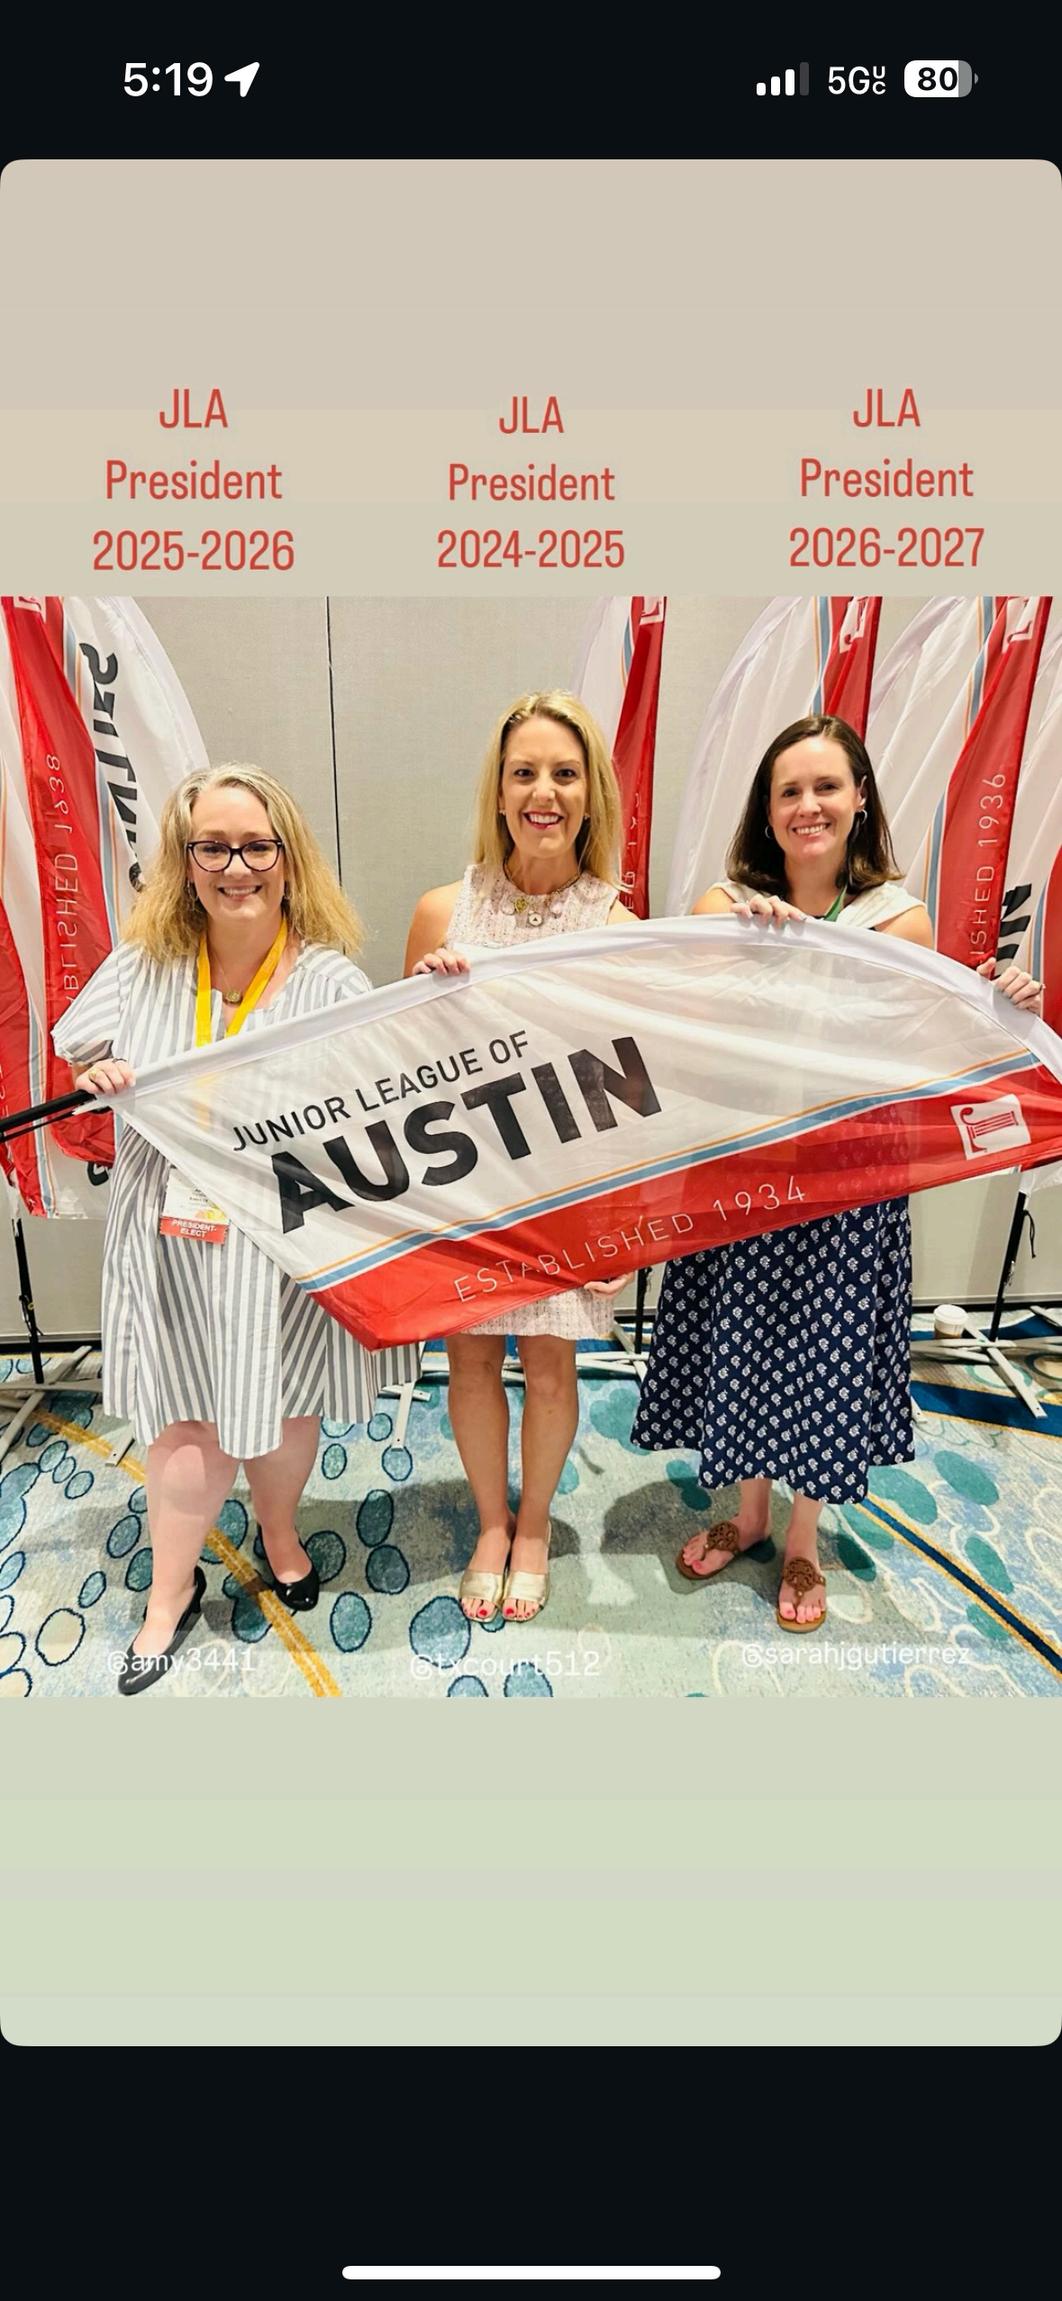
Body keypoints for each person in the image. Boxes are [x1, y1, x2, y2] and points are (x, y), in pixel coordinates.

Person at [631, 712, 1043, 1631]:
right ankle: (747, 1514)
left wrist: (1000, 1002)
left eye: (826, 786)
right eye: (789, 790)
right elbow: (686, 1032)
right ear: (766, 810)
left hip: (849, 1184)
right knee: (740, 1337)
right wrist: (743, 955)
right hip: (744, 1169)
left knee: (828, 1351)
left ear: (860, 798)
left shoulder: (897, 919)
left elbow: (921, 1046)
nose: (808, 805)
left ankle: (803, 1538)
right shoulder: (724, 905)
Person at [53, 764, 413, 1693]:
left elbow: (391, 1094)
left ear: (288, 858)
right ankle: (169, 1594)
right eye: (211, 847)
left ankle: (279, 1531)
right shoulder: (144, 967)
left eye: (256, 846)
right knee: (187, 1421)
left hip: (284, 1245)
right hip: (171, 1242)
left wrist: (444, 991)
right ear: (186, 861)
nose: (236, 866)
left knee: (285, 1402)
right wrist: (100, 1078)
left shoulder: (332, 980)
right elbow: (78, 1054)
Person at [404, 691, 634, 1625]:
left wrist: (624, 1219)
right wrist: (426, 1000)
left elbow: (632, 1086)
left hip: (563, 1189)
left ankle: (534, 1526)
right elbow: (399, 1073)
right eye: (525, 772)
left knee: (549, 1369)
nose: (545, 792)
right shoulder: (441, 911)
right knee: (467, 1364)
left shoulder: (620, 925)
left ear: (591, 793)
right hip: (466, 1184)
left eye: (565, 773)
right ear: (498, 792)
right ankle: (490, 1524)